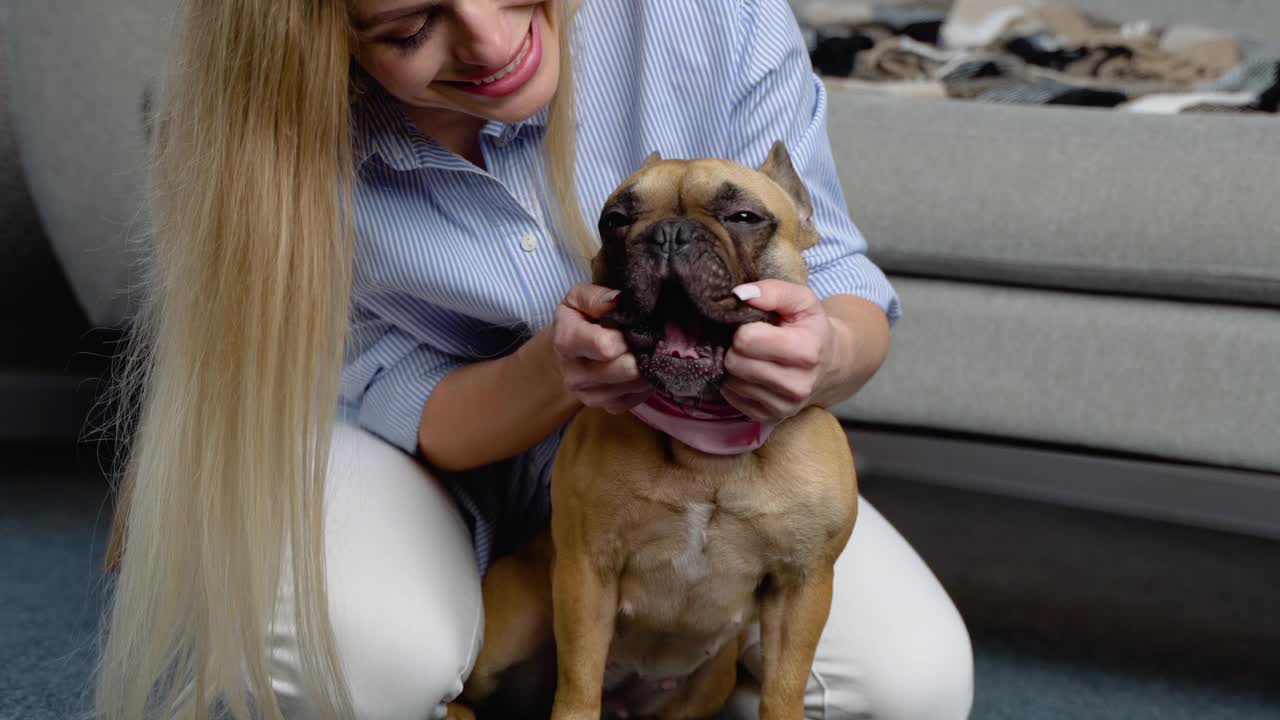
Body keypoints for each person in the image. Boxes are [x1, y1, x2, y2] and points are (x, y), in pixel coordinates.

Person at [94, 0, 974, 718]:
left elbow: (840, 273)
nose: (489, 39)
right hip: (415, 455)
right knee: (360, 666)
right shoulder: (271, 143)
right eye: (408, 28)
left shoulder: (710, 14)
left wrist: (825, 351)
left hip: (713, 467)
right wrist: (553, 372)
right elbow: (378, 385)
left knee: (908, 687)